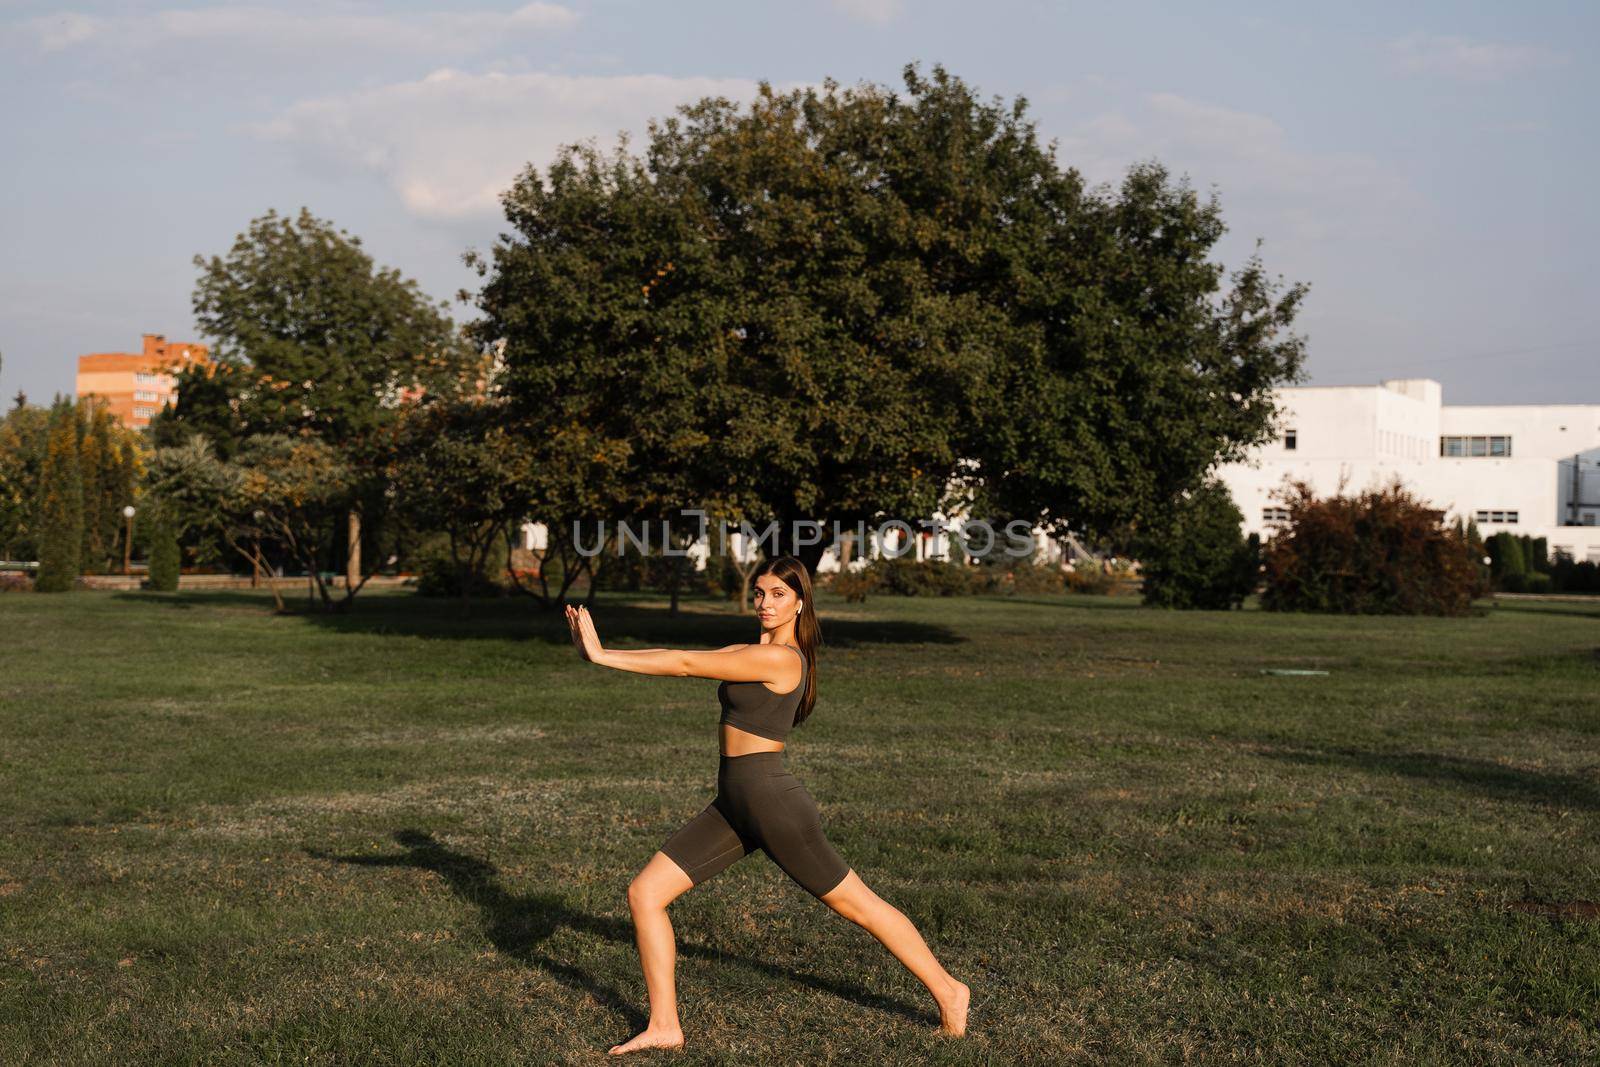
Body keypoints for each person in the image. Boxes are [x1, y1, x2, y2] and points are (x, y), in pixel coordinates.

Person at [564, 554, 971, 1056]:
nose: (766, 603)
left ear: (800, 603)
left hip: (773, 805)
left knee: (858, 906)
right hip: (734, 804)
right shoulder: (751, 649)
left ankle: (951, 991)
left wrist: (604, 655)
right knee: (645, 894)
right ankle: (665, 1025)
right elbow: (698, 655)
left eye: (779, 594)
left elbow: (686, 662)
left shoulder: (783, 659)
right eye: (760, 593)